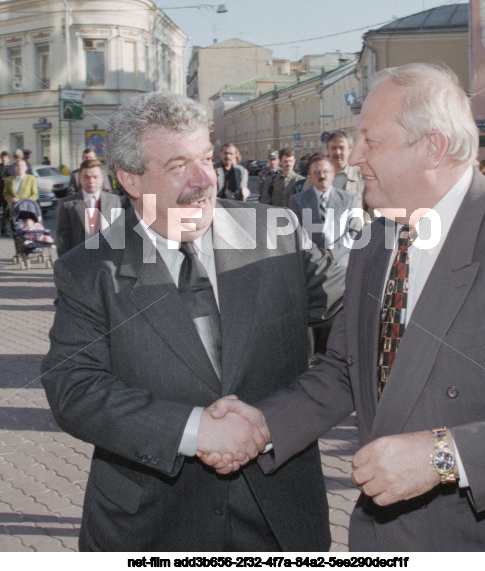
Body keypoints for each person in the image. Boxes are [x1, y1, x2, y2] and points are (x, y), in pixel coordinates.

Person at [206, 64, 485, 551]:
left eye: (371, 141)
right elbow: (345, 370)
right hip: (385, 538)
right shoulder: (375, 239)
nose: (353, 158)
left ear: (432, 147)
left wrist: (443, 457)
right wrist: (264, 424)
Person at [40, 91, 343, 551]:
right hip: (150, 525)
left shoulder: (277, 232)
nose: (206, 179)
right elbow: (74, 388)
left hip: (281, 517)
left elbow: (358, 313)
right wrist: (197, 430)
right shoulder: (88, 269)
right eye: (179, 165)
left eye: (206, 157)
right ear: (131, 179)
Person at [288, 156, 362, 267]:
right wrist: (313, 255)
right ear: (310, 177)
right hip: (309, 264)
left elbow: (355, 232)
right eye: (316, 172)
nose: (322, 176)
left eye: (326, 171)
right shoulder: (297, 200)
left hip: (340, 264)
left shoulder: (349, 199)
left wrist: (332, 252)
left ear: (333, 174)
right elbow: (295, 234)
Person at [55, 159, 124, 257]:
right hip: (79, 260)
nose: (91, 181)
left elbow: (119, 234)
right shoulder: (68, 204)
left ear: (102, 178)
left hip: (107, 260)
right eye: (86, 177)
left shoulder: (114, 201)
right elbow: (62, 237)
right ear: (80, 179)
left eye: (95, 177)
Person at [326, 131, 366, 205]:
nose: (338, 152)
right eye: (333, 148)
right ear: (327, 149)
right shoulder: (316, 175)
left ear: (350, 150)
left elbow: (371, 207)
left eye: (342, 148)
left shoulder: (361, 176)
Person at [2, 158, 38, 226]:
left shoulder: (31, 179)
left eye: (22, 165)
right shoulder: (8, 180)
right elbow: (5, 193)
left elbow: (35, 194)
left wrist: (26, 200)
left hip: (27, 210)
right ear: (15, 168)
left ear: (26, 168)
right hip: (14, 209)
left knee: (28, 232)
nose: (20, 167)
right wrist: (11, 199)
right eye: (18, 165)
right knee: (16, 231)